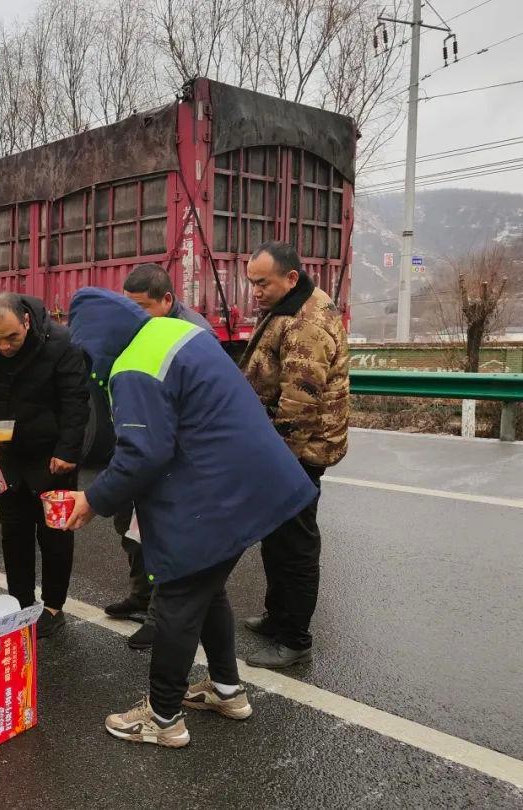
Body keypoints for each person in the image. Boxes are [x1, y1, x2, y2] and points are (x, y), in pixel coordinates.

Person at [64, 288, 317, 749]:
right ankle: (226, 690)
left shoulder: (133, 366)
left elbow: (143, 453)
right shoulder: (175, 332)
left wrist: (92, 500)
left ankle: (162, 717)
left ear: (93, 341)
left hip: (220, 491)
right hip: (255, 479)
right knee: (207, 585)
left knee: (178, 595)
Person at [238, 241, 350, 669]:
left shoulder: (307, 322)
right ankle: (277, 616)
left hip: (298, 453)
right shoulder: (288, 304)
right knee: (276, 537)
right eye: (252, 283)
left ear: (290, 277)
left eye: (262, 283)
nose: (256, 292)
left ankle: (295, 639)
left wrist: (277, 463)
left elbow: (299, 405)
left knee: (295, 546)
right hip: (285, 448)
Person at [0, 292, 90, 637]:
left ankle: (53, 607)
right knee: (14, 534)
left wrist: (68, 451)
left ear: (27, 322)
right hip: (8, 455)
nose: (3, 346)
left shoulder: (60, 343)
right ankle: (20, 603)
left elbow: (76, 402)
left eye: (12, 337)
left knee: (55, 535)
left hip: (53, 457)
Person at [107, 263, 214, 651]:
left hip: (173, 453)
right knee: (129, 526)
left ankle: (158, 619)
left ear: (167, 300)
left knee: (161, 534)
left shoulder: (194, 335)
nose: (134, 315)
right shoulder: (138, 326)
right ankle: (140, 595)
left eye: (142, 307)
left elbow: (198, 405)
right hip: (139, 441)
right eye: (129, 306)